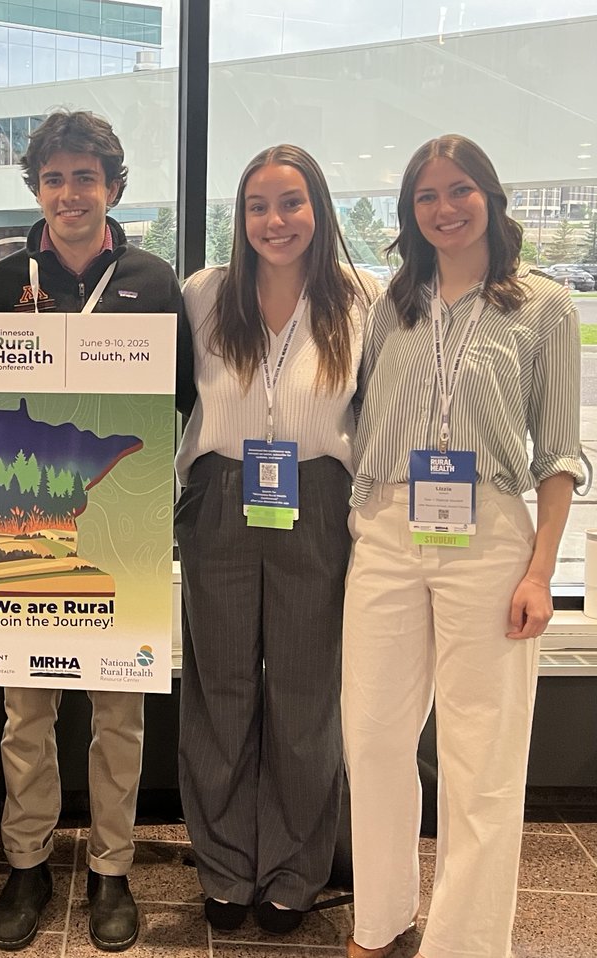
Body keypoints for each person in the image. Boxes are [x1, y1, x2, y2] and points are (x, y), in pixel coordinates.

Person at [342, 135, 581, 958]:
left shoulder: (544, 306)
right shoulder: (389, 304)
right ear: (411, 213)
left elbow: (558, 454)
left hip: (489, 537)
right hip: (386, 530)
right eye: (426, 196)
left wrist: (541, 570)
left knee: (481, 755)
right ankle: (377, 921)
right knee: (372, 736)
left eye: (459, 190)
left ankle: (467, 944)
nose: (444, 208)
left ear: (490, 195)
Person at [0, 109, 195, 953]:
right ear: (37, 189)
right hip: (24, 528)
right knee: (24, 714)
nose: (71, 193)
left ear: (113, 187)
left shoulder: (153, 280)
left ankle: (111, 867)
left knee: (118, 716)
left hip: (119, 527)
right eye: (56, 178)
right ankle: (26, 863)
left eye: (86, 178)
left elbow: (176, 404)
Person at [173, 144, 381, 935]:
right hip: (222, 494)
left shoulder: (364, 299)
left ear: (319, 210)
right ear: (241, 217)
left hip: (318, 498)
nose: (275, 221)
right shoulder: (204, 294)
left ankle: (295, 871)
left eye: (291, 203)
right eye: (258, 205)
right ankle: (225, 869)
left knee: (303, 698)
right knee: (218, 693)